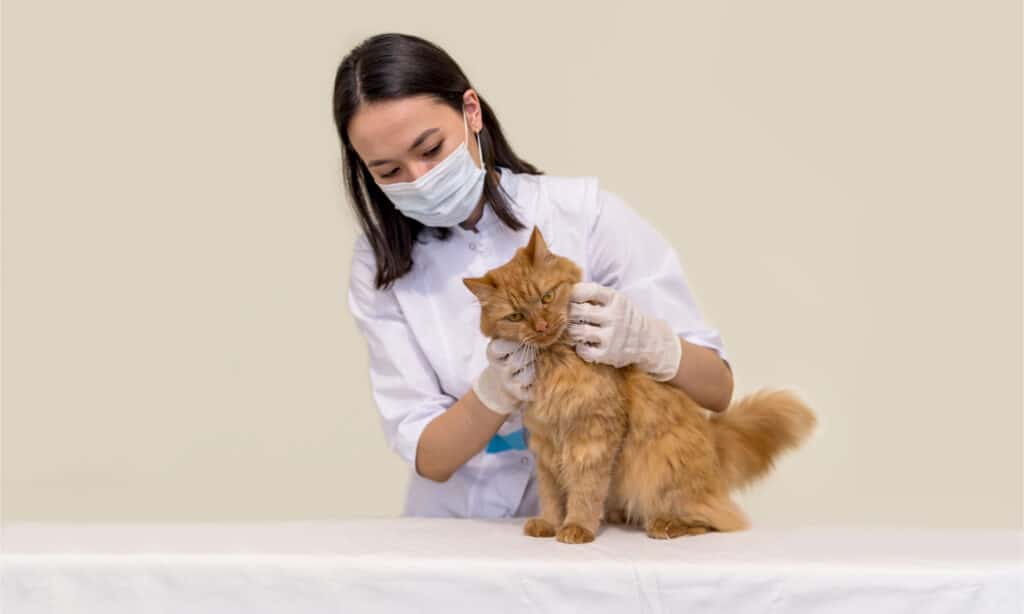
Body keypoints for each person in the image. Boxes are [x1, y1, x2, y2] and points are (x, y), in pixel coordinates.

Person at [333, 33, 733, 518]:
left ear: (471, 112)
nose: (419, 179)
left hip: (595, 517)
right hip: (457, 526)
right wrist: (493, 393)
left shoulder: (582, 214)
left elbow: (718, 388)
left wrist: (653, 345)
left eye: (431, 148)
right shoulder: (381, 266)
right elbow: (429, 457)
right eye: (388, 170)